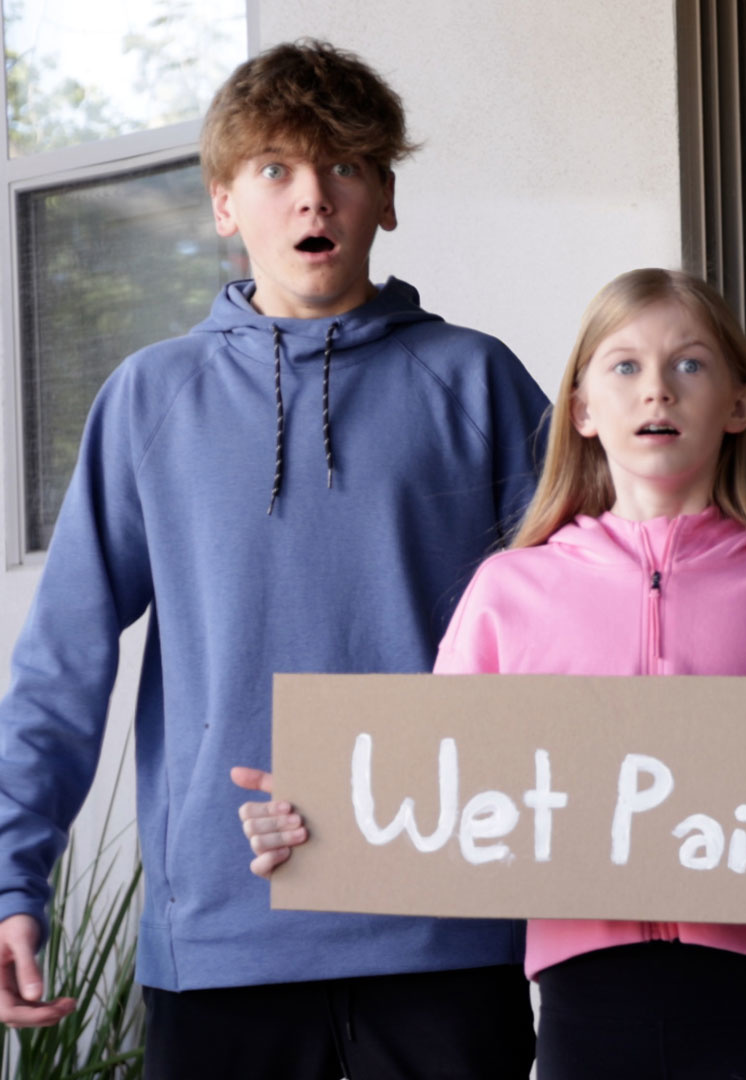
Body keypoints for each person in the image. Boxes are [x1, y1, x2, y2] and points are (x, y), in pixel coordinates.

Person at [241, 268, 746, 1078]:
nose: (657, 389)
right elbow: (435, 790)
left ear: (741, 405)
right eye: (626, 366)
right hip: (585, 1004)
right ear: (583, 411)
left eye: (690, 364)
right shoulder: (508, 593)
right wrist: (324, 818)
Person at [0, 40, 546, 1080]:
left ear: (386, 197)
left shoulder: (477, 382)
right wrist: (10, 880)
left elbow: (589, 623)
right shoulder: (149, 401)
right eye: (275, 169)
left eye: (346, 166)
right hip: (222, 934)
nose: (314, 196)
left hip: (445, 922)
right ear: (224, 205)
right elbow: (62, 662)